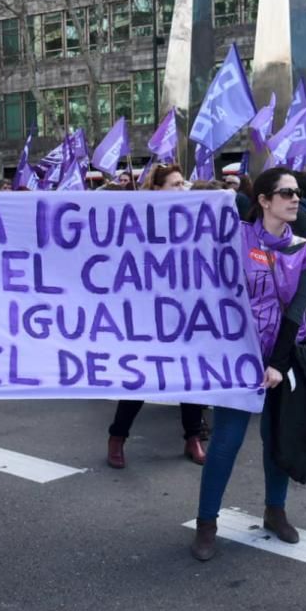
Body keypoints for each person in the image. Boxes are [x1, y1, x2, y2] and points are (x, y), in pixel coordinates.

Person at [190, 167, 306, 562]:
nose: (295, 198)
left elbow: (296, 311)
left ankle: (275, 511)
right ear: (264, 200)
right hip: (236, 356)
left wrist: (278, 365)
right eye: (285, 192)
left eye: (298, 192)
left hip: (283, 357)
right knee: (226, 443)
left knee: (278, 438)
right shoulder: (233, 239)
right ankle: (206, 524)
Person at [107, 163, 206, 468]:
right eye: (175, 184)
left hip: (184, 309)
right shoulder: (140, 222)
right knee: (142, 377)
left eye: (182, 183)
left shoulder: (193, 220)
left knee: (191, 376)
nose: (181, 189)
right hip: (148, 314)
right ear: (157, 189)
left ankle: (193, 438)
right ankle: (117, 438)